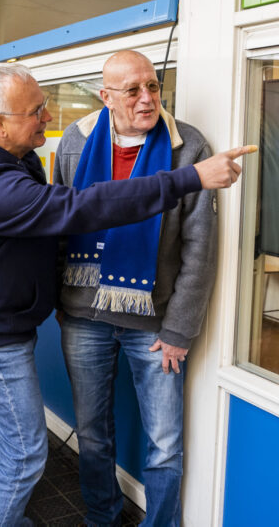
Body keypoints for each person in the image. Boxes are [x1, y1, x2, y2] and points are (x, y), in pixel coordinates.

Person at [0, 62, 253, 527]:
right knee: (25, 456)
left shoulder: (8, 156)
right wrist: (192, 178)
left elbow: (196, 246)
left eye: (153, 86)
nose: (47, 116)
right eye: (36, 110)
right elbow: (80, 209)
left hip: (17, 321)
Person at [52, 50, 214, 526]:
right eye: (132, 90)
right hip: (83, 317)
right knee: (92, 432)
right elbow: (59, 224)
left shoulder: (189, 146)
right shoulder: (76, 142)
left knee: (165, 444)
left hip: (155, 326)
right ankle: (102, 517)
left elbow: (199, 248)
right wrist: (61, 303)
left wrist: (181, 329)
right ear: (105, 97)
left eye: (153, 86)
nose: (147, 99)